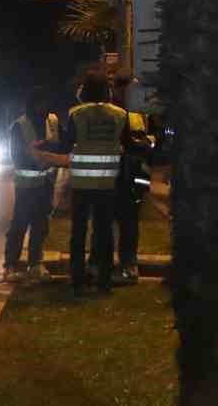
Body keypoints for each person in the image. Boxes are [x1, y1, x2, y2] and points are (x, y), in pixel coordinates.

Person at [59, 72, 128, 295]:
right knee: (104, 232)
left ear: (84, 91)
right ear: (107, 91)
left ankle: (77, 278)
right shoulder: (120, 114)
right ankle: (104, 280)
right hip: (107, 182)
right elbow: (126, 143)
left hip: (81, 182)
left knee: (78, 231)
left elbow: (66, 144)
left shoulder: (76, 114)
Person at [3, 89, 63, 283]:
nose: (44, 107)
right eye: (41, 103)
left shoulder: (52, 122)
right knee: (20, 225)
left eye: (46, 103)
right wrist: (46, 155)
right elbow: (18, 157)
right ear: (33, 104)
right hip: (27, 186)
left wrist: (46, 152)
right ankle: (10, 265)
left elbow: (62, 145)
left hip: (46, 183)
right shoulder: (19, 126)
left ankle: (35, 263)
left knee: (40, 224)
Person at [109, 74, 156, 284]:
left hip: (138, 173)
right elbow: (124, 142)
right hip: (118, 173)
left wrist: (150, 143)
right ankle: (112, 264)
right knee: (114, 220)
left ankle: (129, 263)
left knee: (131, 221)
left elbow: (154, 135)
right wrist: (140, 145)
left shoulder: (140, 111)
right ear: (119, 90)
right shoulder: (113, 111)